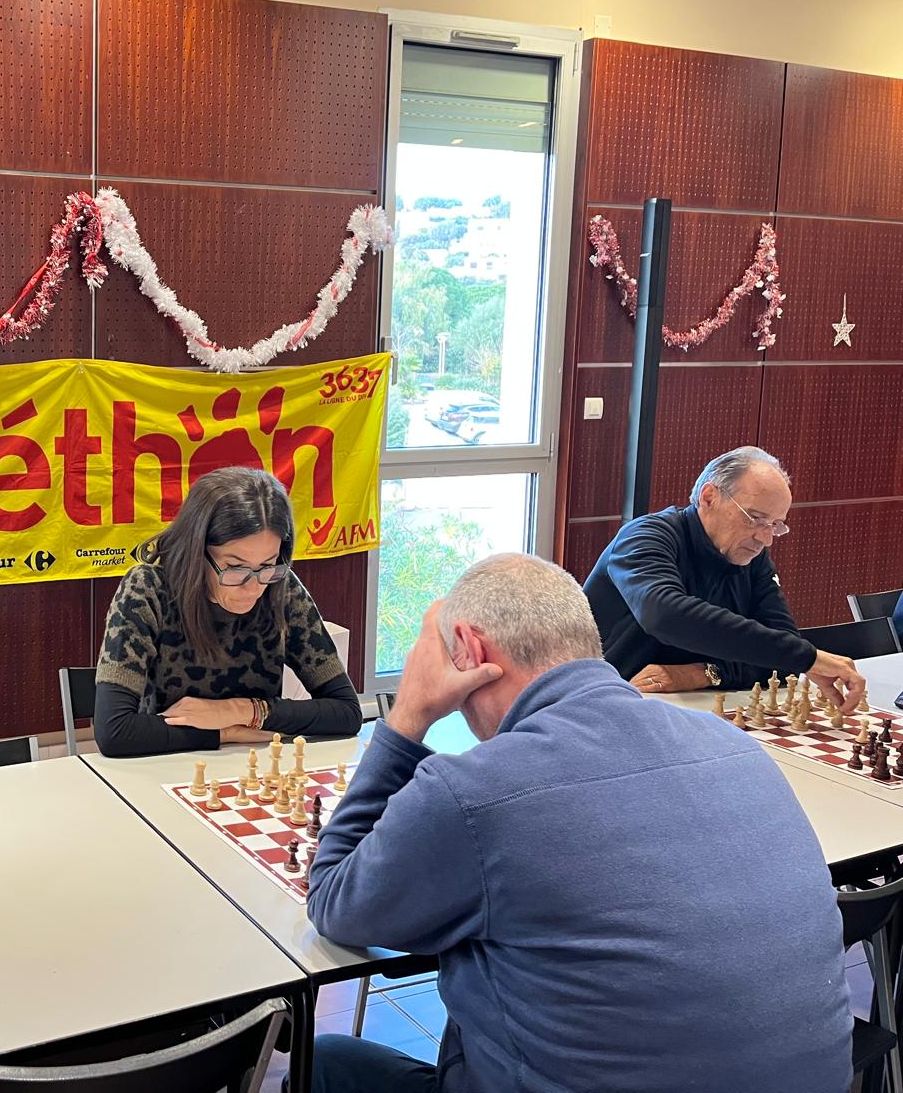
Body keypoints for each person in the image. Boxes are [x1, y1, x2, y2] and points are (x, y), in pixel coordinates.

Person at [306, 553, 850, 1093]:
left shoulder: (473, 793)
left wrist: (408, 714)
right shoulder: (737, 747)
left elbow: (334, 901)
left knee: (327, 1060)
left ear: (469, 652)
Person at [93, 466, 361, 757]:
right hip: (160, 768)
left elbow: (346, 711)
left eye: (267, 565)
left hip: (252, 767)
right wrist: (226, 733)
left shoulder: (282, 588)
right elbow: (114, 732)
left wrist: (240, 710)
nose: (254, 586)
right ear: (197, 551)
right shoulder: (147, 590)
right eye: (235, 567)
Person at [583, 445, 865, 710]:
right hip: (605, 702)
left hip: (694, 708)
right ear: (709, 498)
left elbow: (782, 655)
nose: (765, 539)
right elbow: (665, 615)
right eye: (755, 518)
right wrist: (807, 657)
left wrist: (704, 673)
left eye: (775, 525)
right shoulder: (646, 537)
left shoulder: (752, 558)